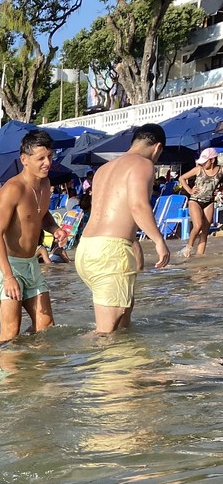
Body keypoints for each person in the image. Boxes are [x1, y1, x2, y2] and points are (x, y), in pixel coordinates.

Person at [75, 123, 170, 334]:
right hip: (110, 251)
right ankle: (62, 362)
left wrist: (134, 245)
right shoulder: (143, 165)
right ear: (157, 148)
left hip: (87, 248)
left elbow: (114, 211)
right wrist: (159, 241)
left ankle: (129, 366)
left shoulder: (104, 169)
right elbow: (137, 206)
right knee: (105, 332)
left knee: (124, 318)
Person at [0, 130, 69, 342]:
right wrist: (8, 277)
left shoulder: (44, 184)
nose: (47, 163)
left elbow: (40, 214)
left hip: (31, 263)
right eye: (40, 158)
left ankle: (33, 372)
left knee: (46, 326)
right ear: (24, 160)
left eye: (50, 156)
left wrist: (55, 229)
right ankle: (2, 374)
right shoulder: (12, 189)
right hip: (8, 264)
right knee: (11, 331)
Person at [178, 147, 222, 258]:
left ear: (212, 160)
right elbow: (182, 178)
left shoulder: (221, 170)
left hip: (209, 202)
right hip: (195, 201)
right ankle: (188, 247)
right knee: (198, 226)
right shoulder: (198, 169)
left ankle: (199, 256)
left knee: (205, 230)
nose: (202, 164)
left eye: (204, 162)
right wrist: (189, 190)